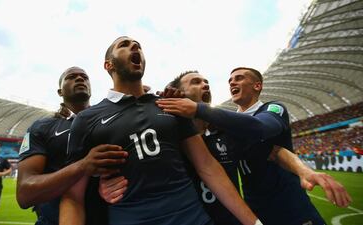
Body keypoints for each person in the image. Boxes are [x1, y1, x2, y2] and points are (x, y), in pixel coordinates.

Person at [60, 36, 261, 225]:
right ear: (108, 64)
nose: (134, 47)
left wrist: (254, 223)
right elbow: (73, 196)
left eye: (138, 45)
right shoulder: (86, 120)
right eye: (124, 45)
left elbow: (207, 166)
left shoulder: (169, 105)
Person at [156, 68, 352, 225]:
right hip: (250, 208)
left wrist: (304, 170)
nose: (231, 82)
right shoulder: (170, 131)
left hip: (289, 207)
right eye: (230, 80)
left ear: (257, 86)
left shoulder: (268, 111)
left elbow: (272, 150)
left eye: (239, 78)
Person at [16, 66, 128, 225]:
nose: (80, 79)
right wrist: (82, 166)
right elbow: (25, 194)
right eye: (71, 77)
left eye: (84, 77)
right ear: (60, 92)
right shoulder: (42, 127)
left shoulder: (110, 121)